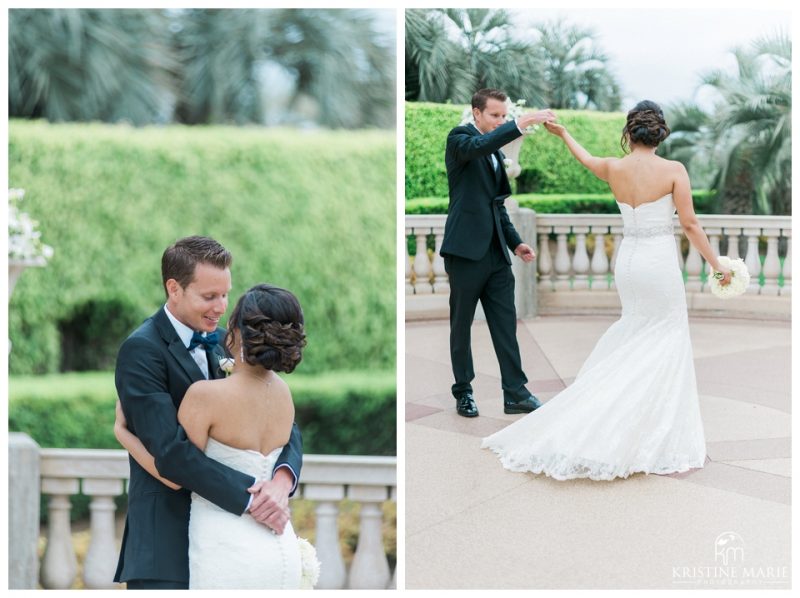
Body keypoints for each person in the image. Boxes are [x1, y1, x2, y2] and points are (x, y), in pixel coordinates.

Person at [482, 100, 732, 480]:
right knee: (665, 338)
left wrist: (564, 132)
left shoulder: (614, 168)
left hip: (628, 264)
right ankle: (646, 432)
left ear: (629, 132)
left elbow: (586, 159)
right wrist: (718, 266)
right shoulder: (673, 170)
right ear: (660, 133)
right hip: (658, 264)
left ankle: (614, 417)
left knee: (635, 331)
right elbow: (692, 225)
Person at [112, 236, 303, 589]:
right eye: (209, 296)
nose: (221, 307)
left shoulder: (226, 340)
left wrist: (281, 481)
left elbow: (285, 424)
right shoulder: (141, 350)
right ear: (174, 288)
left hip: (234, 535)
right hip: (165, 542)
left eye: (225, 294)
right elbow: (172, 454)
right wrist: (255, 494)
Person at [441, 87, 556, 418]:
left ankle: (515, 392)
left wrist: (515, 242)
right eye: (494, 115)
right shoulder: (460, 139)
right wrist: (520, 124)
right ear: (476, 113)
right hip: (464, 253)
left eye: (504, 116)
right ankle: (463, 392)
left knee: (506, 324)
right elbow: (479, 146)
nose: (500, 121)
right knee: (461, 326)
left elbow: (497, 206)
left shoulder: (494, 154)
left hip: (495, 256)